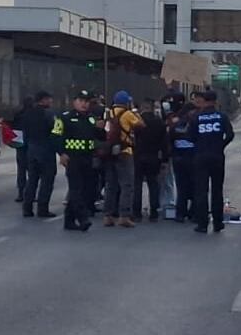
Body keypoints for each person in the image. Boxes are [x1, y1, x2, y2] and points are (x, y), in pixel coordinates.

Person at [190, 89, 236, 234]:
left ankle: (202, 224)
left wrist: (200, 145)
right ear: (215, 102)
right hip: (217, 156)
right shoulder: (221, 117)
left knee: (201, 191)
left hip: (201, 157)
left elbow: (189, 137)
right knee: (217, 190)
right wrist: (220, 145)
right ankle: (217, 222)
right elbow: (230, 134)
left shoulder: (197, 117)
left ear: (204, 101)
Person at [54, 90, 99, 231]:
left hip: (88, 157)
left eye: (86, 101)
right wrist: (61, 153)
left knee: (87, 189)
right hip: (72, 158)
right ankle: (83, 217)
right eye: (81, 101)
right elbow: (55, 136)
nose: (84, 104)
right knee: (76, 189)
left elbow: (98, 136)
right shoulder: (64, 118)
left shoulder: (91, 118)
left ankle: (69, 220)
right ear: (74, 102)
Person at [101, 91, 144, 227]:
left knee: (111, 185)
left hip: (110, 152)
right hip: (125, 151)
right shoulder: (127, 114)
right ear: (127, 102)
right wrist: (134, 110)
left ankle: (108, 216)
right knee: (127, 185)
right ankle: (124, 216)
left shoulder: (108, 113)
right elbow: (141, 125)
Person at [21, 91, 59, 219]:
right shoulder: (49, 114)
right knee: (47, 181)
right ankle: (42, 209)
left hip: (31, 150)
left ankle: (27, 208)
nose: (51, 102)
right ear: (43, 100)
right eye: (49, 99)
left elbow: (24, 133)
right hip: (46, 151)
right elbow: (56, 132)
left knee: (32, 180)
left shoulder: (27, 114)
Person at [132, 96, 168, 222]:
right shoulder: (159, 122)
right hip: (153, 156)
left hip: (138, 156)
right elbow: (164, 143)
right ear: (152, 108)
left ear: (142, 107)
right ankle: (154, 212)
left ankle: (136, 212)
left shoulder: (137, 121)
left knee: (137, 184)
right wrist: (164, 160)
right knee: (153, 184)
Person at [169, 96, 198, 224]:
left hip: (178, 158)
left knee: (181, 187)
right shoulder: (195, 123)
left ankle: (180, 213)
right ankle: (193, 213)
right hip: (192, 158)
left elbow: (169, 140)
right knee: (195, 186)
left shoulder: (175, 124)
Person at [10, 95, 36, 203]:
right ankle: (31, 194)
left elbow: (13, 127)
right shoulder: (35, 115)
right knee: (32, 171)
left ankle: (21, 193)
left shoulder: (18, 114)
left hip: (20, 143)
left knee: (21, 169)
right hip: (32, 143)